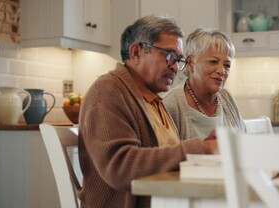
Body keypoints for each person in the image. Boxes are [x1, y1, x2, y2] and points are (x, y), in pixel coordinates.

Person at [77, 15, 218, 208]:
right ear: (136, 52)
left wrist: (205, 145)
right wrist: (200, 149)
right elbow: (121, 167)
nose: (176, 67)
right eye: (169, 55)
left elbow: (160, 155)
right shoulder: (108, 91)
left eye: (178, 59)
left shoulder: (151, 98)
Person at [163, 28, 246, 140]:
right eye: (213, 62)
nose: (221, 71)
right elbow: (167, 154)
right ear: (191, 63)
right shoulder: (171, 104)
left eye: (227, 65)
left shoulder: (227, 97)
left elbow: (244, 141)